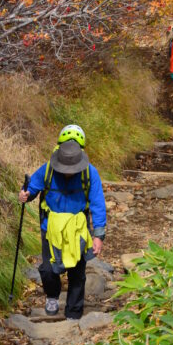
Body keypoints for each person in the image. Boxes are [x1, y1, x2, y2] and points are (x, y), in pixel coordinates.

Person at [18, 124, 106, 320]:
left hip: (78, 229)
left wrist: (98, 236)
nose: (68, 172)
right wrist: (25, 195)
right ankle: (52, 295)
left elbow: (98, 204)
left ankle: (73, 314)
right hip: (50, 228)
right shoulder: (47, 169)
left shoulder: (90, 173)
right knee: (48, 269)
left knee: (77, 272)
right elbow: (32, 188)